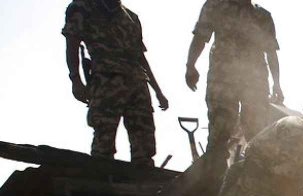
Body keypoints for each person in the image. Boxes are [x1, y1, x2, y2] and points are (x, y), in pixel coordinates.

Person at [63, 0, 169, 167]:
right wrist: (75, 80)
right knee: (103, 143)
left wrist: (158, 91)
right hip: (106, 81)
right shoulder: (82, 7)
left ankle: (144, 186)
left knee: (144, 145)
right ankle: (103, 185)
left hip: (138, 84)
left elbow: (140, 57)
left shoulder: (132, 17)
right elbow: (72, 44)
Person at [186, 0, 282, 158]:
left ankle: (254, 179)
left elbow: (271, 52)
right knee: (220, 131)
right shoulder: (215, 6)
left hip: (254, 83)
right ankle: (212, 179)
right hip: (223, 80)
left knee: (257, 134)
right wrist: (190, 65)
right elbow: (200, 37)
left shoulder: (262, 16)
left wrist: (277, 84)